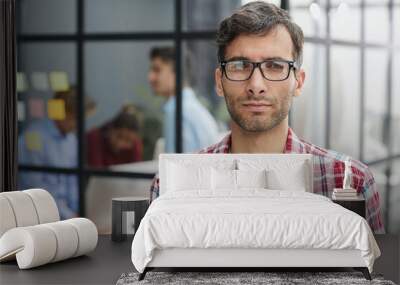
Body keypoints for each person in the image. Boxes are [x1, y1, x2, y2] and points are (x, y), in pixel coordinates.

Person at [148, 1, 384, 233]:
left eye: (274, 66)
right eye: (240, 65)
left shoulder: (353, 181)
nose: (256, 85)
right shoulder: (170, 185)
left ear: (298, 82)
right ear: (220, 82)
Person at [18, 89, 82, 219]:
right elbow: (35, 188)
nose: (76, 125)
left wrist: (78, 213)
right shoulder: (33, 137)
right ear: (62, 113)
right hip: (38, 215)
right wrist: (69, 216)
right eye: (74, 118)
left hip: (68, 216)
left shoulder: (71, 140)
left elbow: (73, 181)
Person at [148, 46, 220, 153]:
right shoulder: (192, 108)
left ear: (177, 73)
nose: (150, 77)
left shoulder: (177, 111)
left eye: (157, 70)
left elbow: (176, 166)